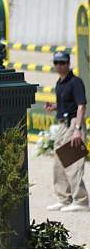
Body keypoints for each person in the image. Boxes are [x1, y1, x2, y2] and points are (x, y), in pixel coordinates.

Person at [45, 52, 90, 212]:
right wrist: (55, 107)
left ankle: (81, 200)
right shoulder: (60, 83)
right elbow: (67, 104)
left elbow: (81, 106)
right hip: (63, 124)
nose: (59, 65)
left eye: (62, 62)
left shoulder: (75, 82)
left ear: (68, 63)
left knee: (72, 162)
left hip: (73, 124)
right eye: (56, 62)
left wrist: (77, 129)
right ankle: (64, 198)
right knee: (58, 162)